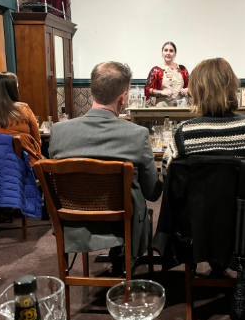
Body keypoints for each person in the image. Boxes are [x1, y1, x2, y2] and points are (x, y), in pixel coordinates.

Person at [49, 61, 162, 273]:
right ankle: (122, 258)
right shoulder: (136, 135)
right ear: (123, 97)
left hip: (74, 224)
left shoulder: (58, 132)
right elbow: (152, 193)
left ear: (92, 91)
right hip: (124, 226)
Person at [162, 58, 245, 174]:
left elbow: (166, 174)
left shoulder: (185, 133)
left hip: (197, 192)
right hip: (243, 192)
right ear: (232, 88)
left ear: (197, 92)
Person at [145, 41, 190, 107]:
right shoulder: (156, 70)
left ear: (175, 54)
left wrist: (186, 90)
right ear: (162, 53)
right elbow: (148, 89)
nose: (168, 53)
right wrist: (162, 92)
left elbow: (191, 87)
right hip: (162, 106)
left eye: (171, 51)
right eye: (166, 50)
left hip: (180, 107)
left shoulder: (182, 69)